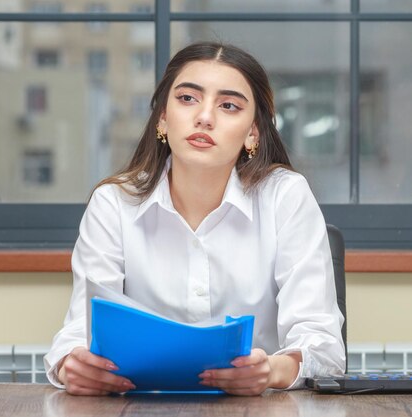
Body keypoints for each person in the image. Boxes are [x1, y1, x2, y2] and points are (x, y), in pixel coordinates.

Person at [44, 41, 345, 396]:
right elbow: (80, 332)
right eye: (188, 98)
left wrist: (271, 370)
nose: (204, 117)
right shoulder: (113, 203)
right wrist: (71, 365)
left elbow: (323, 347)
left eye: (229, 105)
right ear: (162, 117)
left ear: (253, 132)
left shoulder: (286, 196)